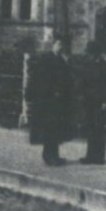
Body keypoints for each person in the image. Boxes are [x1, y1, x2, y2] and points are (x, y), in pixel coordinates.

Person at [26, 35, 75, 167]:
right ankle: (48, 156)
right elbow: (41, 79)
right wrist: (52, 92)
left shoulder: (61, 59)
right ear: (53, 45)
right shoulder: (46, 59)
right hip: (48, 102)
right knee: (49, 130)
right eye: (58, 44)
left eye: (62, 45)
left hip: (59, 101)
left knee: (56, 129)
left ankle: (55, 155)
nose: (61, 47)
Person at [79, 34, 106, 164]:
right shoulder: (89, 65)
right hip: (89, 101)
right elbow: (84, 82)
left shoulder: (105, 66)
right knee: (90, 128)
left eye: (91, 53)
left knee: (98, 128)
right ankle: (90, 155)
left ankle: (99, 157)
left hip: (100, 102)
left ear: (96, 53)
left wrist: (105, 101)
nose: (89, 56)